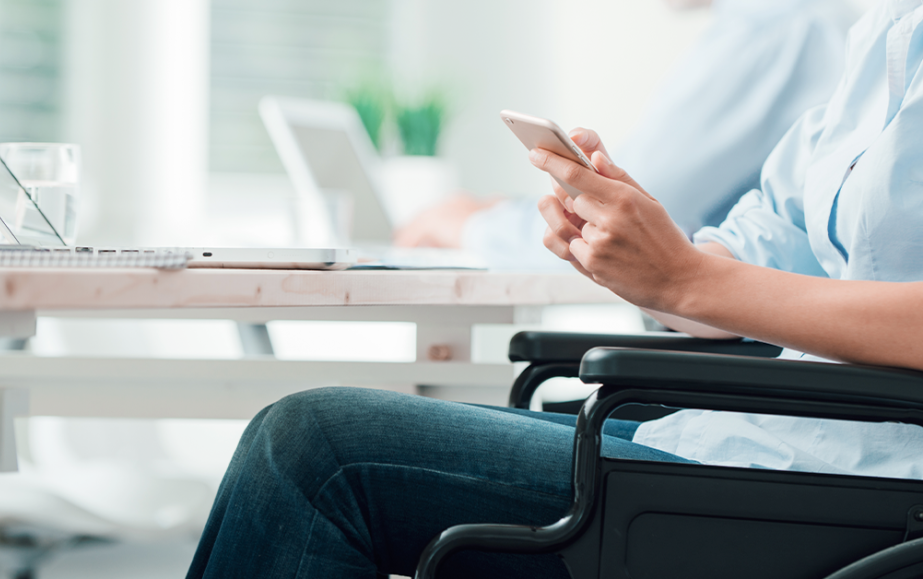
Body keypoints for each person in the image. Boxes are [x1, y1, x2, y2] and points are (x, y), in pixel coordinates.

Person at [187, 1, 923, 577]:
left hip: (860, 482)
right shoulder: (880, 37)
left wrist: (689, 279)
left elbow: (712, 286)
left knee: (316, 448)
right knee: (299, 440)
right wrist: (636, 248)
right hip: (761, 441)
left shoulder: (795, 31)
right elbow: (750, 253)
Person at [394, 0, 857, 269]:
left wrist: (468, 225)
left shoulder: (775, 30)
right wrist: (500, 211)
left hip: (742, 366)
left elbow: (629, 213)